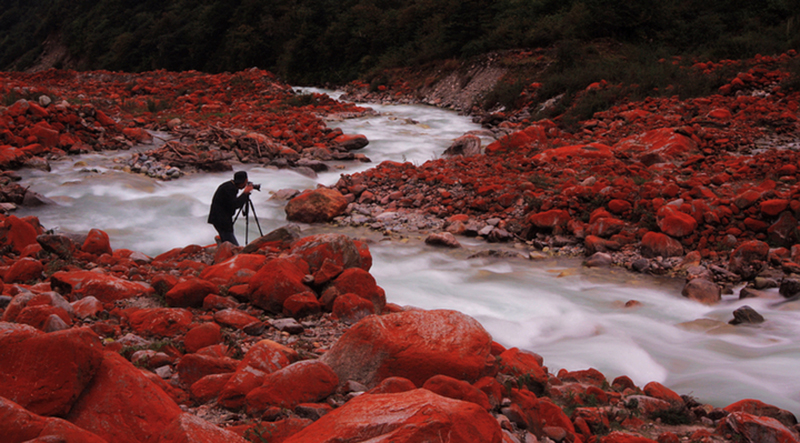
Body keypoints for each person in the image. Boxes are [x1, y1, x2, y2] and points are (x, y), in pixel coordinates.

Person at [208, 171, 254, 246]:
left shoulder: (228, 186)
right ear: (246, 180)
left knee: (226, 238)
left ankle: (223, 245)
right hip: (221, 220)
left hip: (219, 218)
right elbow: (235, 205)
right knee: (232, 245)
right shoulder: (230, 189)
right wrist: (245, 193)